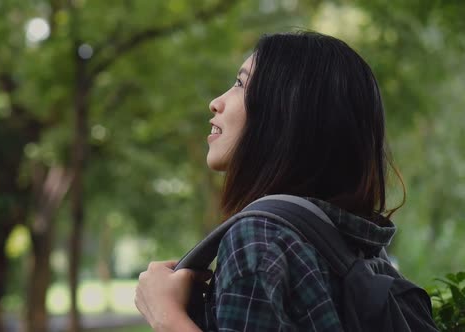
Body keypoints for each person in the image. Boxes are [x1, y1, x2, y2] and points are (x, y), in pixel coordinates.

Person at [135, 31, 405, 331]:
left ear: (286, 111)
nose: (215, 102)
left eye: (240, 84)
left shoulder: (259, 238)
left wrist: (166, 316)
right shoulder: (348, 242)